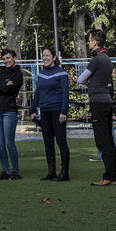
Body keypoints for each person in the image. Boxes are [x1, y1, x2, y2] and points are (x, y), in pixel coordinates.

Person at [77, 28, 116, 186]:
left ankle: (109, 176)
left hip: (98, 103)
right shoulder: (107, 58)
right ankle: (113, 175)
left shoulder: (97, 59)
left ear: (95, 42)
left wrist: (89, 80)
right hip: (106, 101)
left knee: (102, 141)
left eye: (89, 40)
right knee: (109, 140)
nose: (88, 43)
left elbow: (80, 79)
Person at [30, 45, 70, 181]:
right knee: (48, 142)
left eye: (47, 55)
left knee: (61, 142)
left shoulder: (62, 73)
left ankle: (64, 173)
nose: (45, 58)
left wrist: (64, 112)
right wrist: (32, 109)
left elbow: (65, 94)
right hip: (45, 111)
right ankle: (51, 171)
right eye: (43, 55)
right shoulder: (41, 74)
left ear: (54, 57)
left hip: (57, 111)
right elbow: (38, 93)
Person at [0, 48, 24, 180]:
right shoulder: (1, 73)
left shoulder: (18, 75)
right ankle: (5, 170)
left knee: (10, 142)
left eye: (8, 58)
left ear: (14, 58)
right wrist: (2, 85)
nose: (6, 61)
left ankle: (15, 170)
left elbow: (9, 90)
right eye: (3, 59)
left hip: (9, 111)